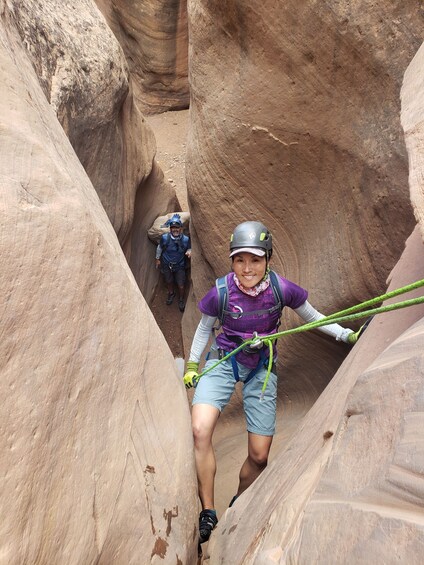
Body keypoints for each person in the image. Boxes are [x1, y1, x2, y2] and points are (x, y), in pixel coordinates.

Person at [183, 220, 357, 545]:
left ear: (267, 258)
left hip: (262, 367)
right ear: (232, 260)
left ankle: (239, 501)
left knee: (260, 457)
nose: (247, 268)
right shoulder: (222, 292)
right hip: (225, 359)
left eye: (255, 259)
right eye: (240, 259)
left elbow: (312, 317)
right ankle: (208, 510)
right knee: (199, 430)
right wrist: (193, 364)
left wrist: (345, 334)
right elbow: (205, 327)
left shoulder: (281, 290)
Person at [155, 214, 191, 312]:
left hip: (179, 266)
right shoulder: (165, 238)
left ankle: (181, 299)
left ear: (181, 228)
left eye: (177, 227)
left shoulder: (185, 239)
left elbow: (189, 248)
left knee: (181, 284)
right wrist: (157, 258)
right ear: (170, 229)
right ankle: (171, 293)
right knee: (169, 281)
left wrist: (189, 251)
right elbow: (160, 247)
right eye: (173, 227)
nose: (175, 229)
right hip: (167, 264)